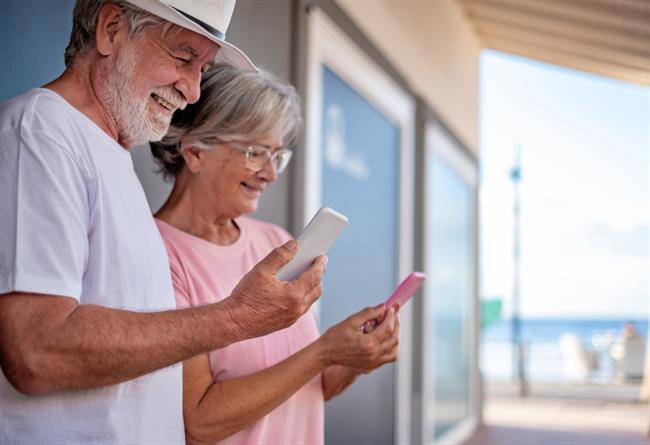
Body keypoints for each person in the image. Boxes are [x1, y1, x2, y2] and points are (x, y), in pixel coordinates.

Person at [0, 1, 325, 444]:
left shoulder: (112, 153)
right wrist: (238, 317)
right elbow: (36, 350)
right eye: (184, 57)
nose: (193, 91)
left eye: (204, 68)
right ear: (111, 29)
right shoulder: (40, 130)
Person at [150, 64, 400, 445]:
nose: (270, 173)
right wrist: (322, 353)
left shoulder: (275, 243)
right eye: (254, 152)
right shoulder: (157, 253)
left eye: (277, 156)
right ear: (194, 152)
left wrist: (351, 356)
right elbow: (198, 421)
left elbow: (312, 389)